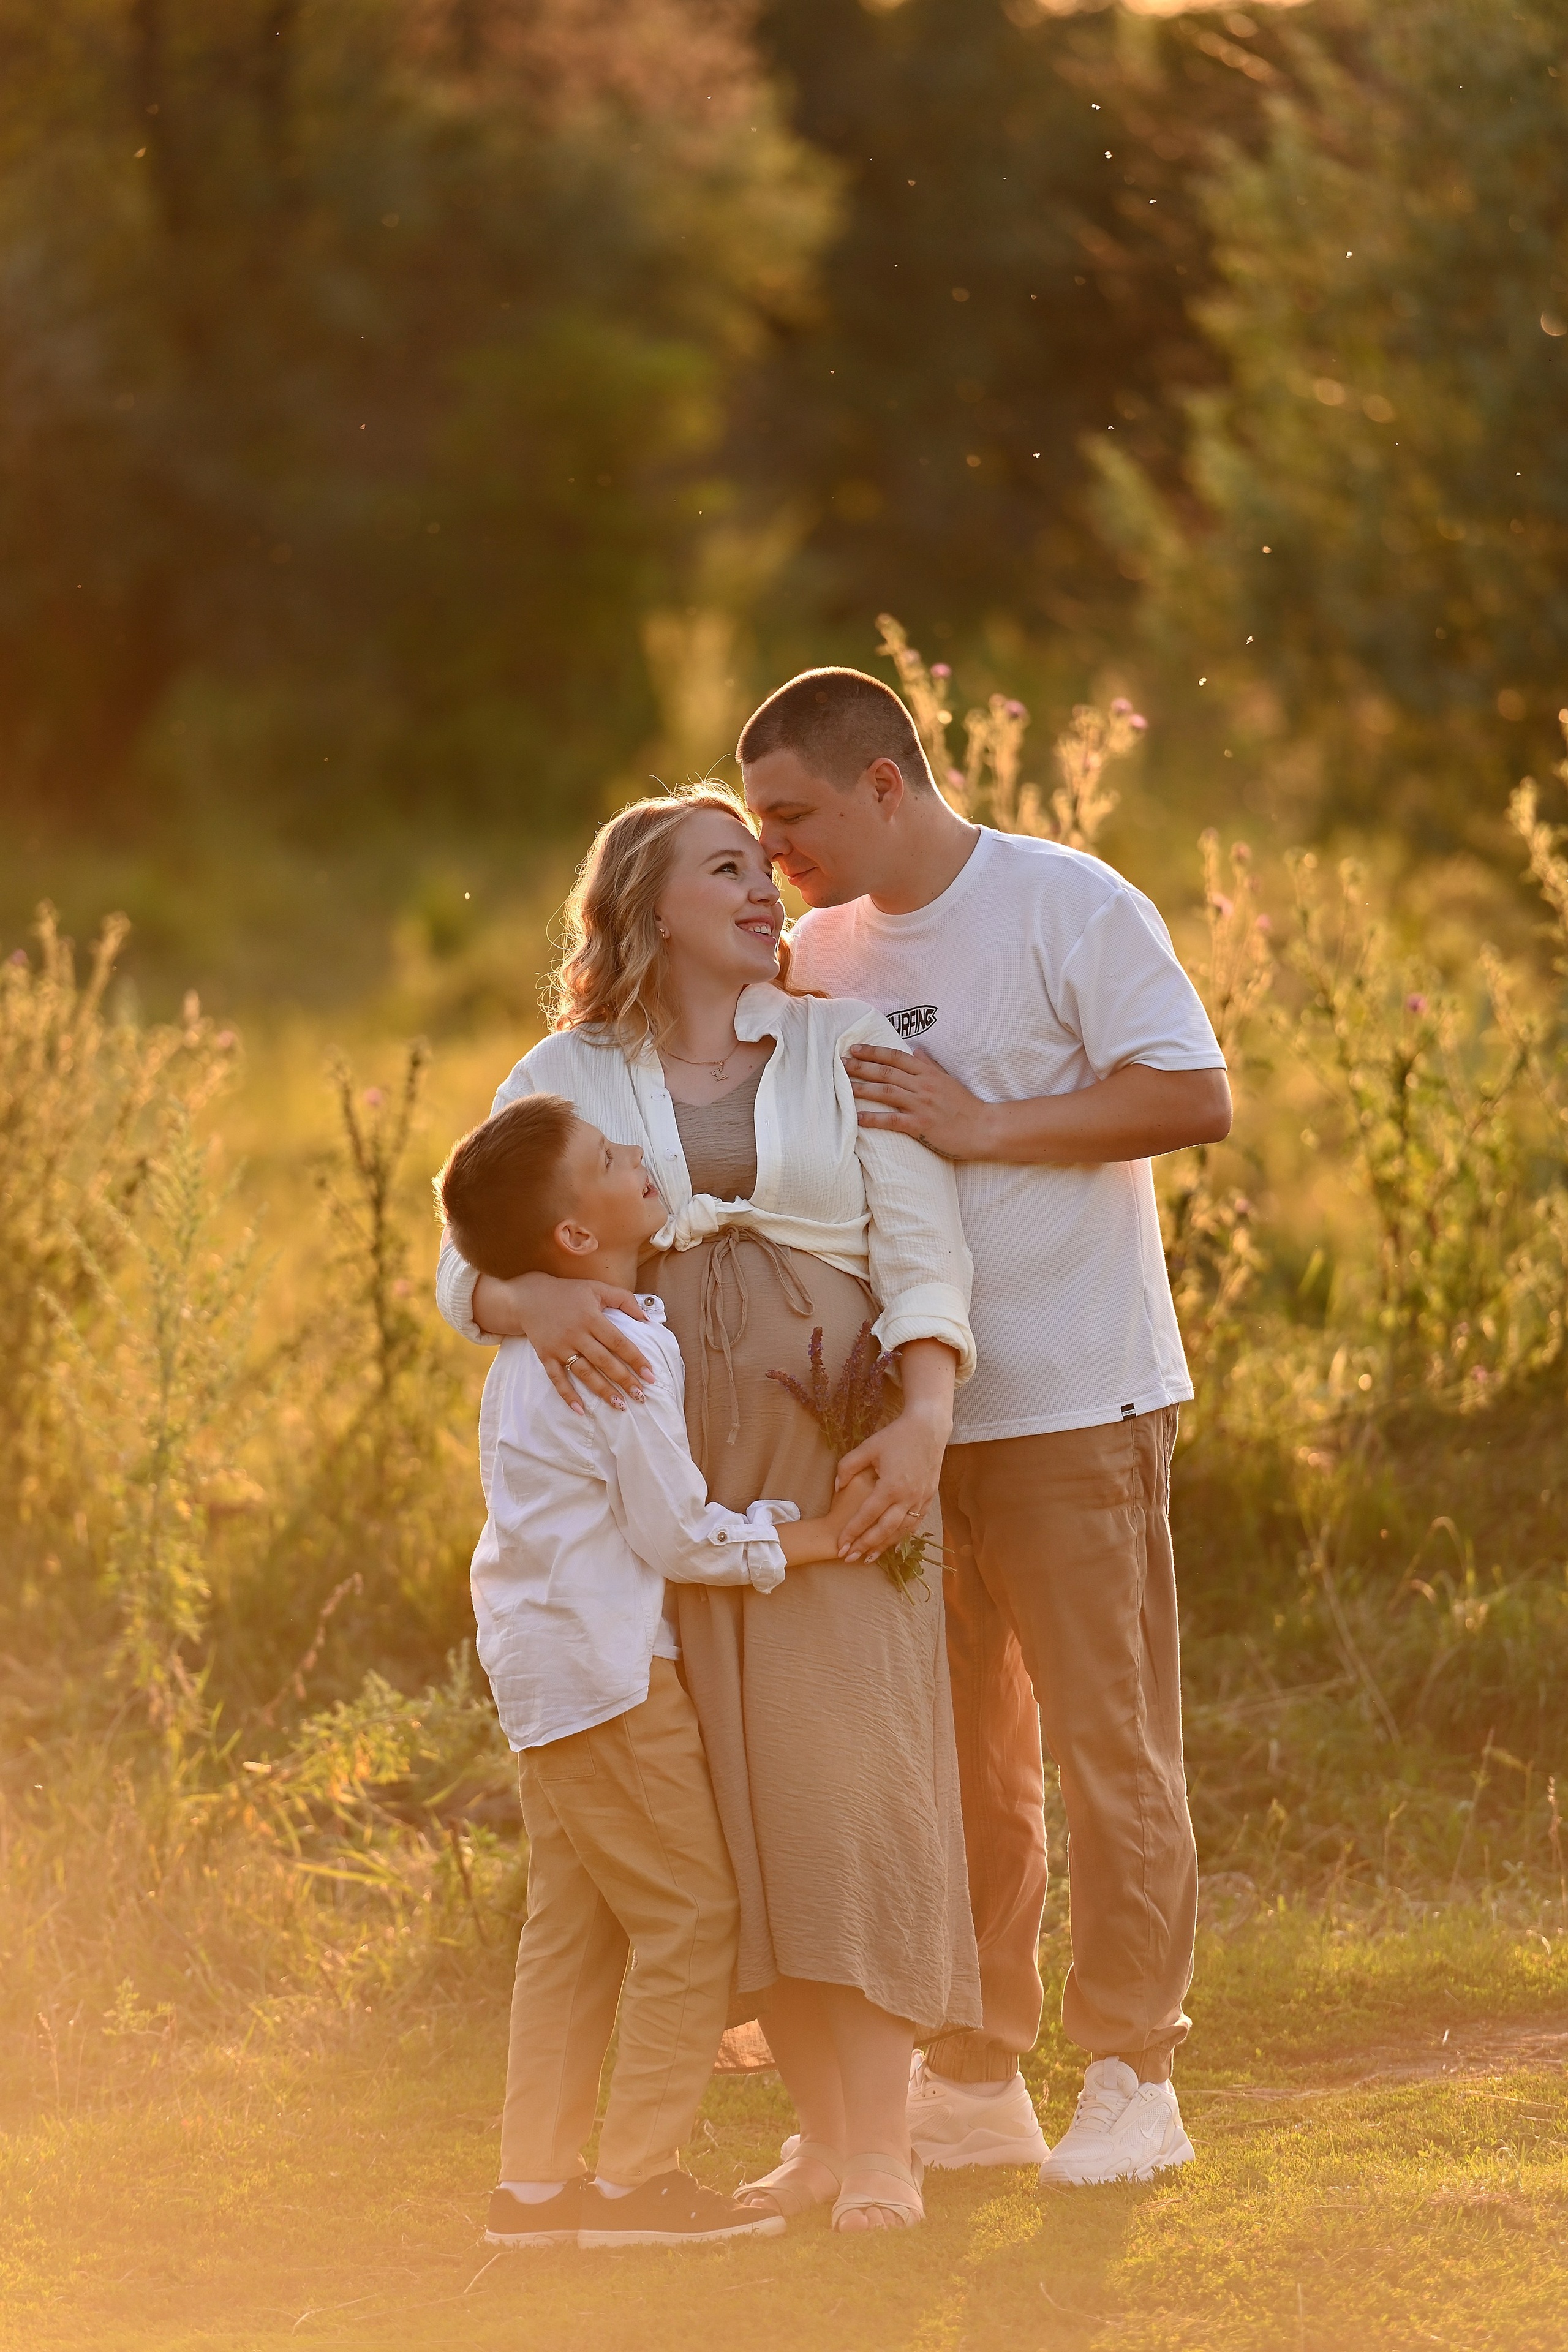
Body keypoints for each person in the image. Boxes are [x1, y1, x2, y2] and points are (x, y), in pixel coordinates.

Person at [436, 786, 981, 2233]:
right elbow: (462, 1271)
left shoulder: (842, 1043)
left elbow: (923, 1257)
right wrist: (538, 1294)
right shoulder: (563, 1069)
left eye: (765, 866)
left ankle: (883, 2146)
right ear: (646, 905)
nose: (766, 888)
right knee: (745, 1814)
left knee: (847, 1782)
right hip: (664, 1490)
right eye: (727, 868)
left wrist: (924, 1420)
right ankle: (813, 2139)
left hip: (831, 1457)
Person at [729, 665, 1231, 2188]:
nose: (774, 855)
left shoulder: (1063, 903)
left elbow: (1193, 1095)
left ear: (885, 781)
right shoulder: (813, 948)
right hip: (898, 1432)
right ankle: (974, 2078)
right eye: (757, 828)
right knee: (961, 1766)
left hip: (1077, 1403)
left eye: (794, 816)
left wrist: (983, 1124)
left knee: (1106, 1750)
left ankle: (1135, 2074)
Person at [438, 1091, 880, 2250]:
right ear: (575, 1236)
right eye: (610, 1157)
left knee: (575, 1931)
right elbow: (677, 1537)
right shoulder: (619, 1347)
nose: (638, 1157)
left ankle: (532, 2195)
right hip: (611, 1678)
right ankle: (636, 2187)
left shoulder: (541, 1340)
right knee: (692, 1916)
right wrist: (813, 1536)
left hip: (545, 1674)